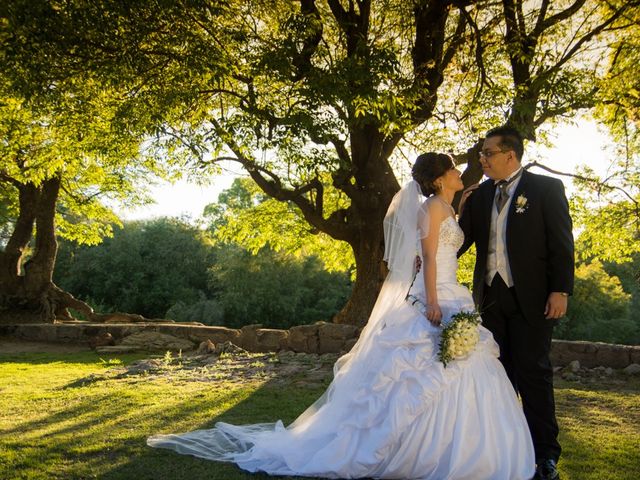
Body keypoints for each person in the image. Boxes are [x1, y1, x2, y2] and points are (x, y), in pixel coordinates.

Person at [148, 152, 535, 480]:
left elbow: (437, 249)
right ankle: (420, 450)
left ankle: (461, 447)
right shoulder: (431, 208)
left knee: (459, 369)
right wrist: (432, 301)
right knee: (421, 370)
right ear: (438, 178)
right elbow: (430, 258)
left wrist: (461, 205)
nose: (459, 172)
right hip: (436, 296)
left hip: (455, 294)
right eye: (452, 169)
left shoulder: (446, 206)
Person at [458, 126, 574, 480]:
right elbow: (459, 242)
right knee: (498, 376)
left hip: (535, 298)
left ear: (510, 155)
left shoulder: (545, 189)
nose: (482, 159)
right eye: (481, 154)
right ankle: (505, 450)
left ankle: (545, 454)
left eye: (488, 153)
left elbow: (561, 242)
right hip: (491, 298)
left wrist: (560, 290)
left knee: (534, 373)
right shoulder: (478, 196)